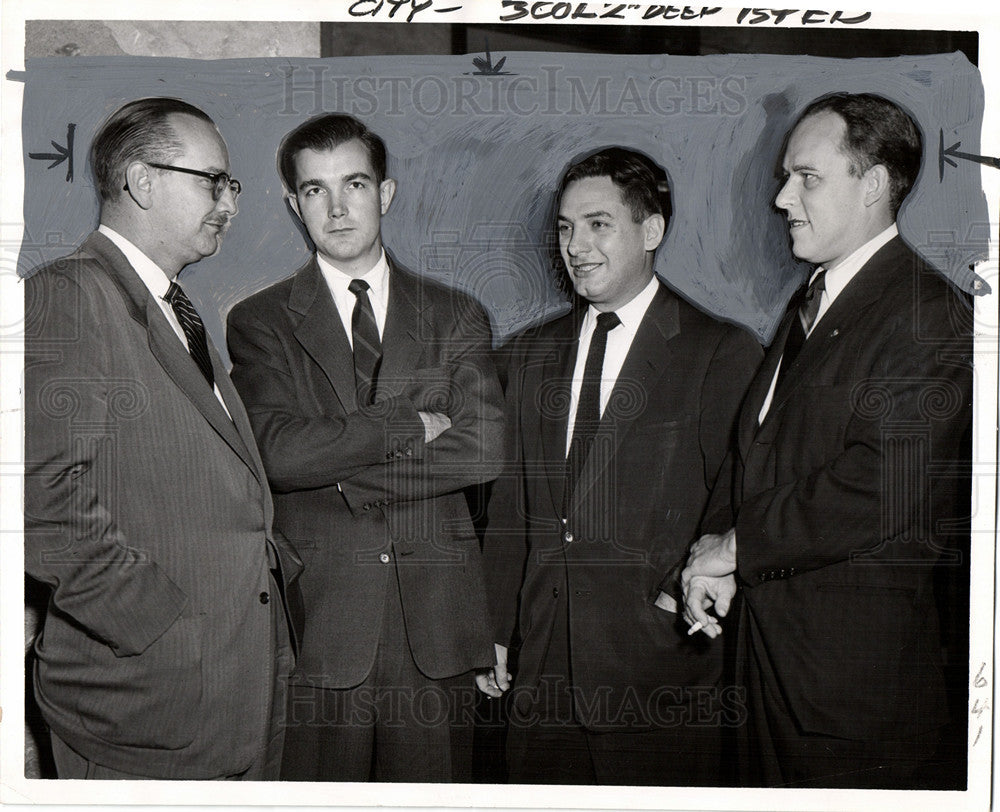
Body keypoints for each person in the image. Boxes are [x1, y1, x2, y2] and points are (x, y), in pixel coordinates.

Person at [681, 92, 973, 789]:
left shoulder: (927, 313)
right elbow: (759, 446)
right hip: (769, 670)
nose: (783, 198)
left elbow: (881, 485)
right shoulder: (816, 296)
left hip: (849, 700)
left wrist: (736, 547)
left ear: (872, 185)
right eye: (786, 177)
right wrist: (712, 555)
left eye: (806, 177)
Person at [24, 97, 302, 780]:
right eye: (214, 180)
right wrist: (159, 624)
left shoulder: (174, 307)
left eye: (230, 184)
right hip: (149, 703)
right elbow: (36, 498)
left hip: (233, 691)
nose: (229, 204)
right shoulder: (70, 295)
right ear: (143, 181)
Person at [226, 113, 503, 782]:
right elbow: (279, 455)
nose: (338, 206)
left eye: (354, 183)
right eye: (315, 190)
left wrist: (355, 482)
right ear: (295, 205)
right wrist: (410, 423)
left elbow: (482, 450)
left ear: (385, 193)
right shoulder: (258, 321)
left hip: (438, 626)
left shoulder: (456, 314)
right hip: (322, 624)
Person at [478, 147, 762, 785]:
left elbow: (737, 501)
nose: (576, 245)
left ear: (651, 230)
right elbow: (510, 510)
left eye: (598, 223)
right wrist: (495, 630)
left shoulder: (720, 350)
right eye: (564, 227)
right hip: (541, 676)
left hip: (659, 674)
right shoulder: (529, 353)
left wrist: (670, 598)